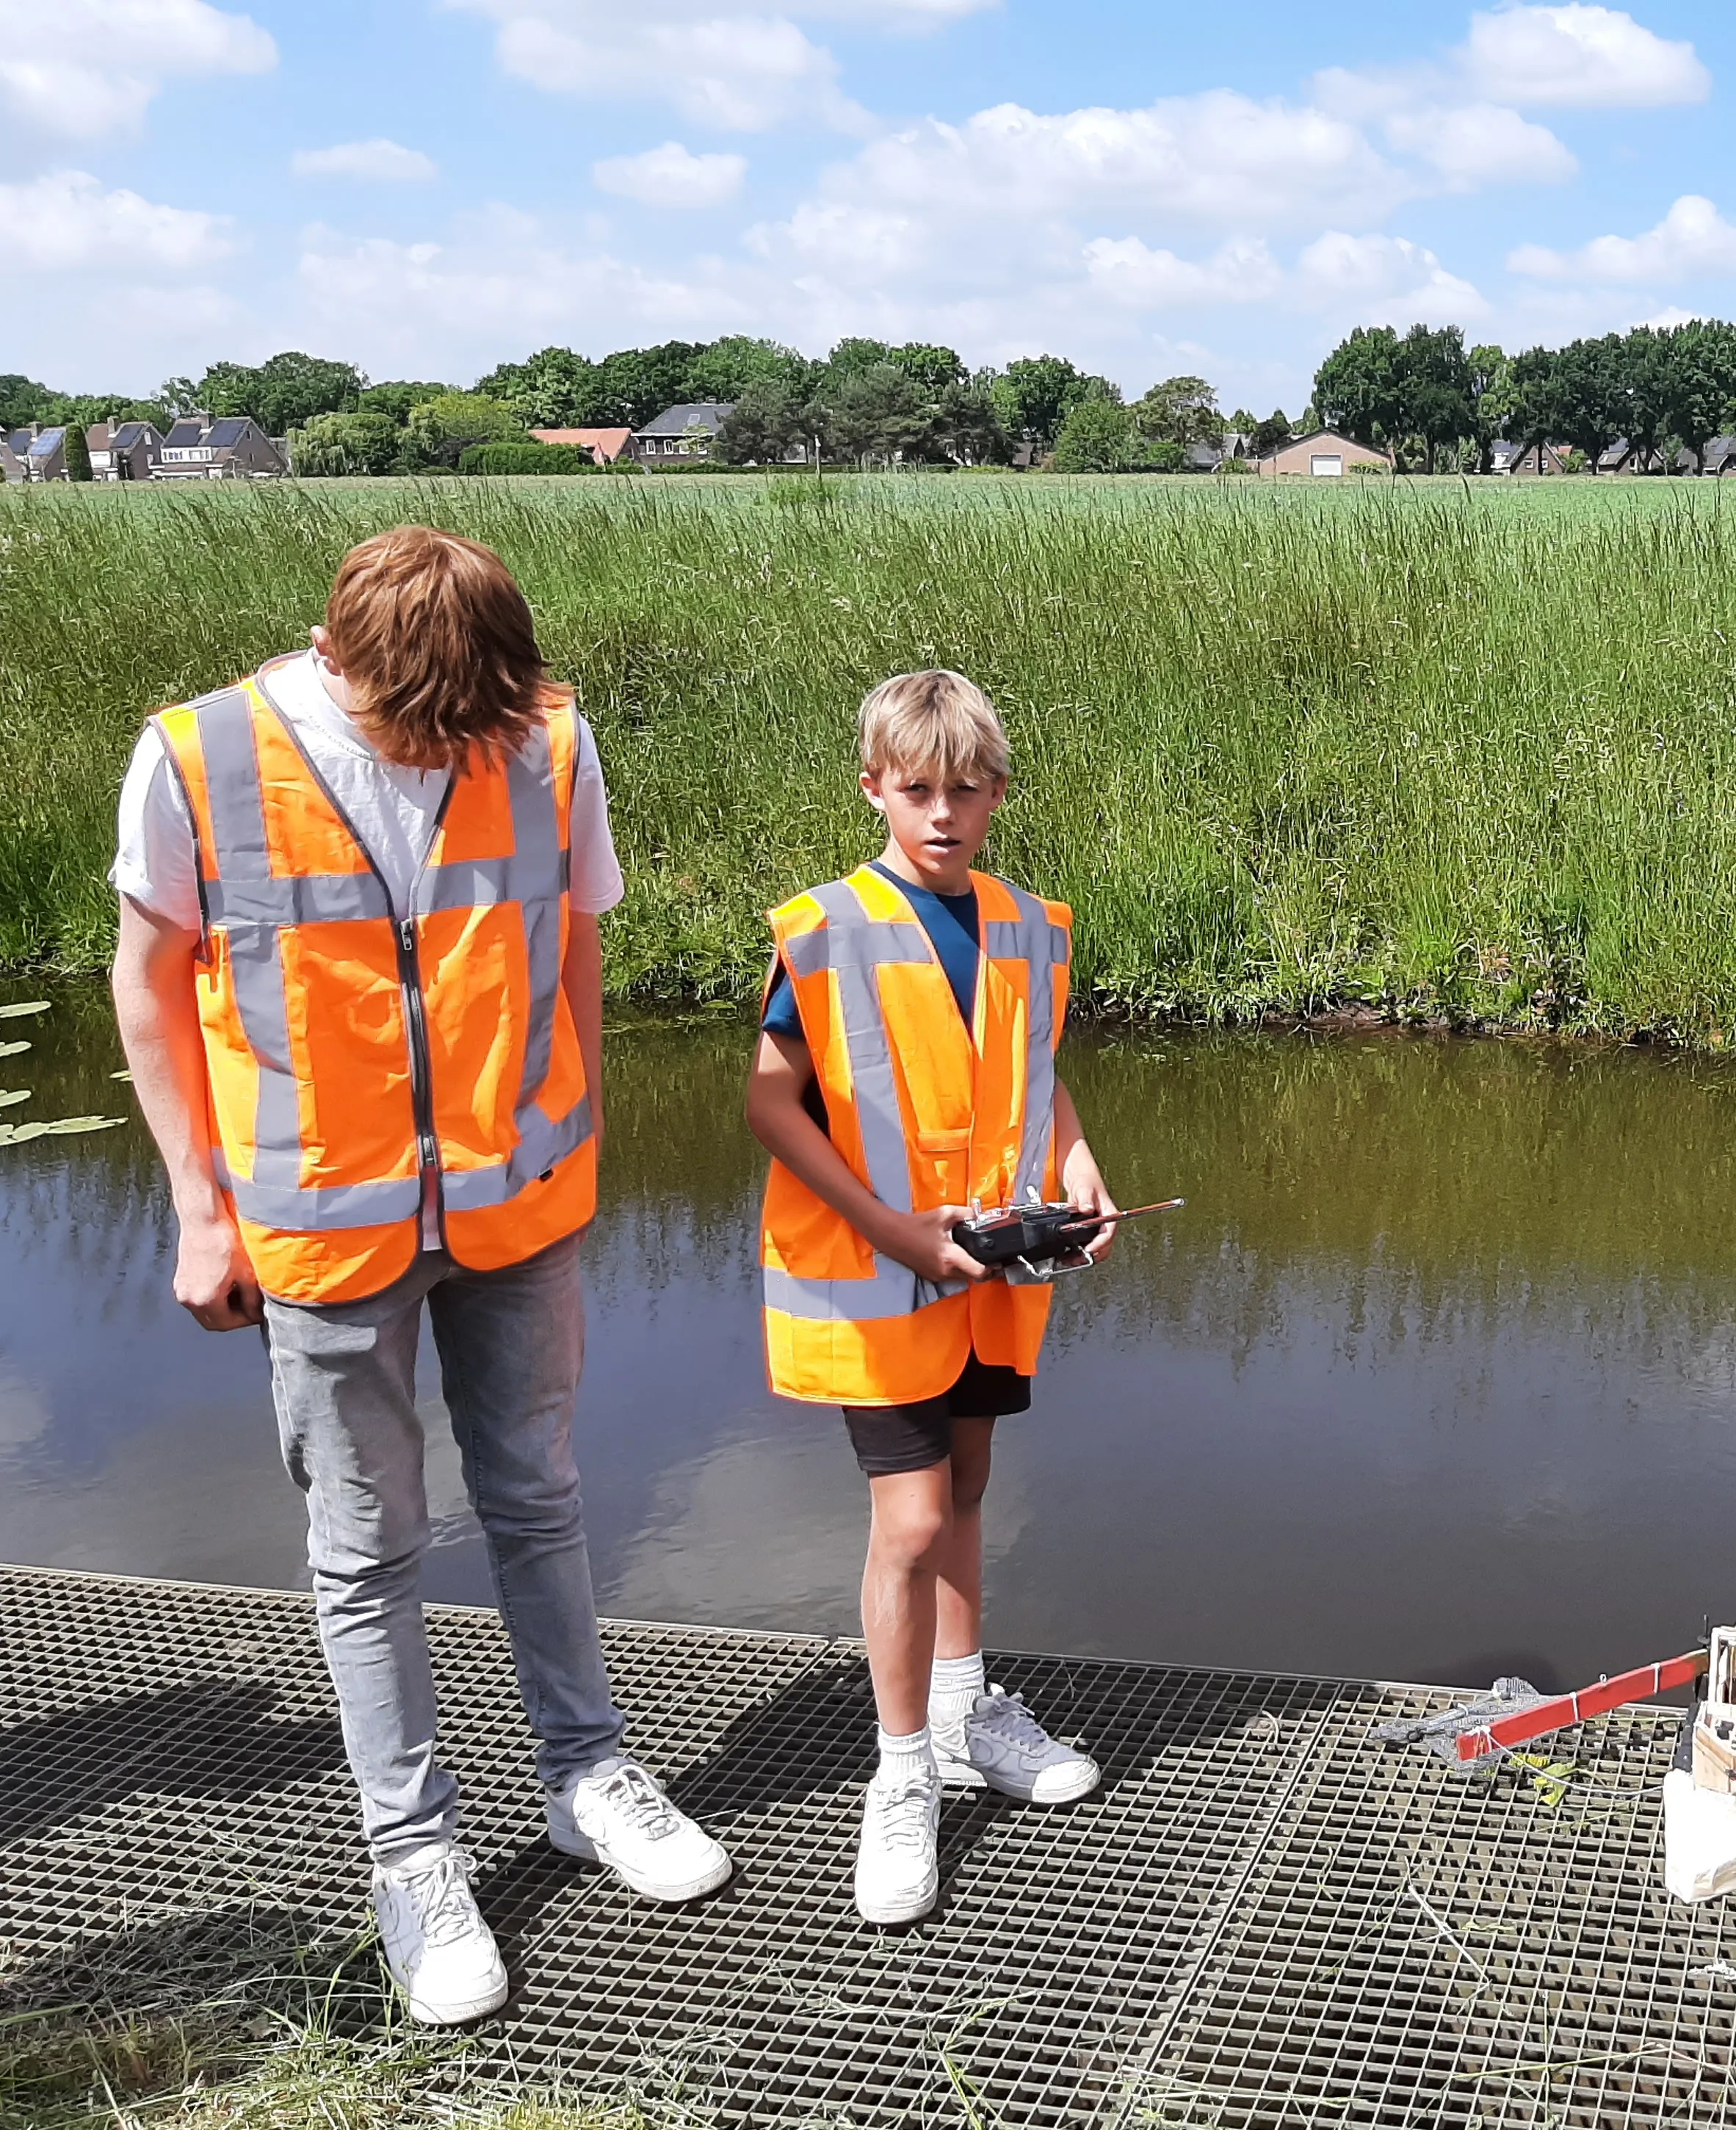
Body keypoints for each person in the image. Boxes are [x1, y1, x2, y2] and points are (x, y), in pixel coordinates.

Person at [110, 526, 731, 2029]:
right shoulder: (197, 758)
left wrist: (572, 1124)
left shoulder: (548, 738)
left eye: (488, 721)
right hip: (321, 1226)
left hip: (517, 1205)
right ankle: (415, 1854)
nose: (464, 747)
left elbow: (571, 944)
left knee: (542, 1495)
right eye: (428, 726)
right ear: (339, 663)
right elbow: (147, 982)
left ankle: (587, 1775)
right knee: (365, 1548)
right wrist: (199, 1208)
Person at [743, 670, 1115, 1927]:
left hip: (997, 1273)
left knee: (966, 1493)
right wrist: (896, 1230)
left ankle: (963, 1714)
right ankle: (902, 1775)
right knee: (905, 1525)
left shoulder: (1027, 923)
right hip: (876, 1275)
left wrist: (1079, 1172)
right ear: (874, 789)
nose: (943, 813)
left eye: (967, 790)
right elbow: (770, 1103)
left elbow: (1040, 1076)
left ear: (1000, 792)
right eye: (918, 791)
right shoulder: (825, 926)